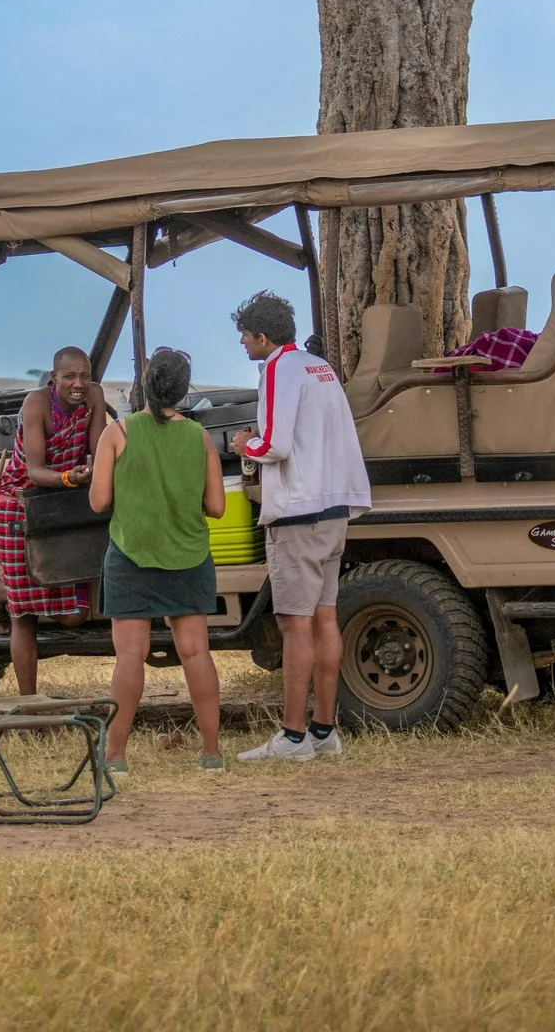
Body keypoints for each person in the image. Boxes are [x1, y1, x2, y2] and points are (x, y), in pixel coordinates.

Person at [227, 290, 370, 762]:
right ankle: (324, 729)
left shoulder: (277, 368)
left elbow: (274, 445)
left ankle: (292, 737)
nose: (244, 347)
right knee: (325, 617)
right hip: (335, 507)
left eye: (246, 338)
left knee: (294, 624)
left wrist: (242, 443)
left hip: (297, 512)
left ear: (262, 336)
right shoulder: (319, 367)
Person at [90, 346, 228, 773]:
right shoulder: (200, 438)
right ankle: (211, 753)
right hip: (188, 558)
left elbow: (98, 502)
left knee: (129, 656)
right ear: (184, 391)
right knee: (195, 652)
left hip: (132, 556)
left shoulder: (118, 433)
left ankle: (115, 757)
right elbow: (218, 506)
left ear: (144, 386)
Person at [0, 347, 111, 694]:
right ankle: (29, 703)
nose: (79, 384)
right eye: (70, 376)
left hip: (60, 504)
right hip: (19, 505)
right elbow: (36, 471)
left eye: (84, 376)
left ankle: (0, 591)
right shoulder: (36, 403)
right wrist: (72, 477)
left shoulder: (95, 396)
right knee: (24, 617)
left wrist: (98, 474)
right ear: (54, 378)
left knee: (74, 616)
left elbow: (99, 451)